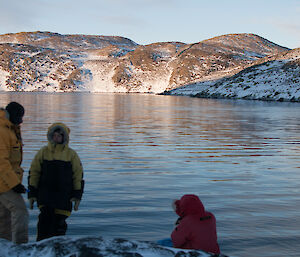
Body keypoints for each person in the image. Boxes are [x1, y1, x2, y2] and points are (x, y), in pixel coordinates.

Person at [28, 122, 84, 241]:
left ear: (64, 137)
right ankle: (41, 250)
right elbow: (34, 172)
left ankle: (57, 250)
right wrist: (32, 193)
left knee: (59, 226)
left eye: (59, 135)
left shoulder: (71, 154)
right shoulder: (43, 152)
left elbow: (78, 176)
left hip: (63, 197)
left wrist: (77, 195)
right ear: (50, 136)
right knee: (44, 224)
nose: (56, 137)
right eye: (54, 135)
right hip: (45, 196)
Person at [0, 101, 29, 244]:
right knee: (20, 212)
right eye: (19, 117)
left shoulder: (11, 129)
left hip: (6, 181)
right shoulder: (3, 132)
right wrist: (15, 184)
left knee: (5, 217)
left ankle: (5, 248)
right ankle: (20, 248)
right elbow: (2, 162)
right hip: (5, 183)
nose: (21, 120)